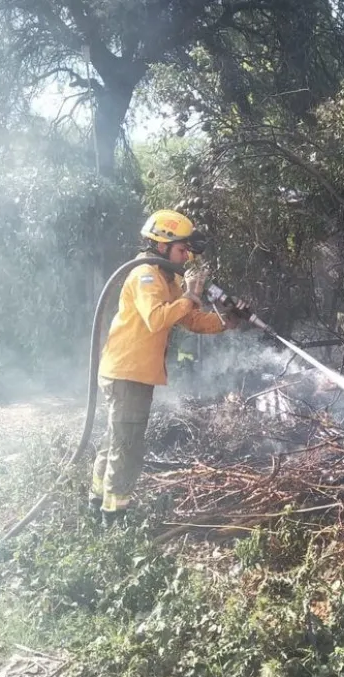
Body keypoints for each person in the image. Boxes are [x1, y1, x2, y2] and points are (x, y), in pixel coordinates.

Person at [89, 209, 244, 526]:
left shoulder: (166, 277)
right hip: (127, 373)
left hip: (131, 372)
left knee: (117, 439)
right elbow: (157, 317)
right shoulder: (146, 275)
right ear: (162, 245)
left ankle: (97, 501)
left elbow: (187, 318)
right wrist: (190, 294)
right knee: (127, 445)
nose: (186, 256)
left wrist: (225, 322)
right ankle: (113, 517)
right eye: (182, 249)